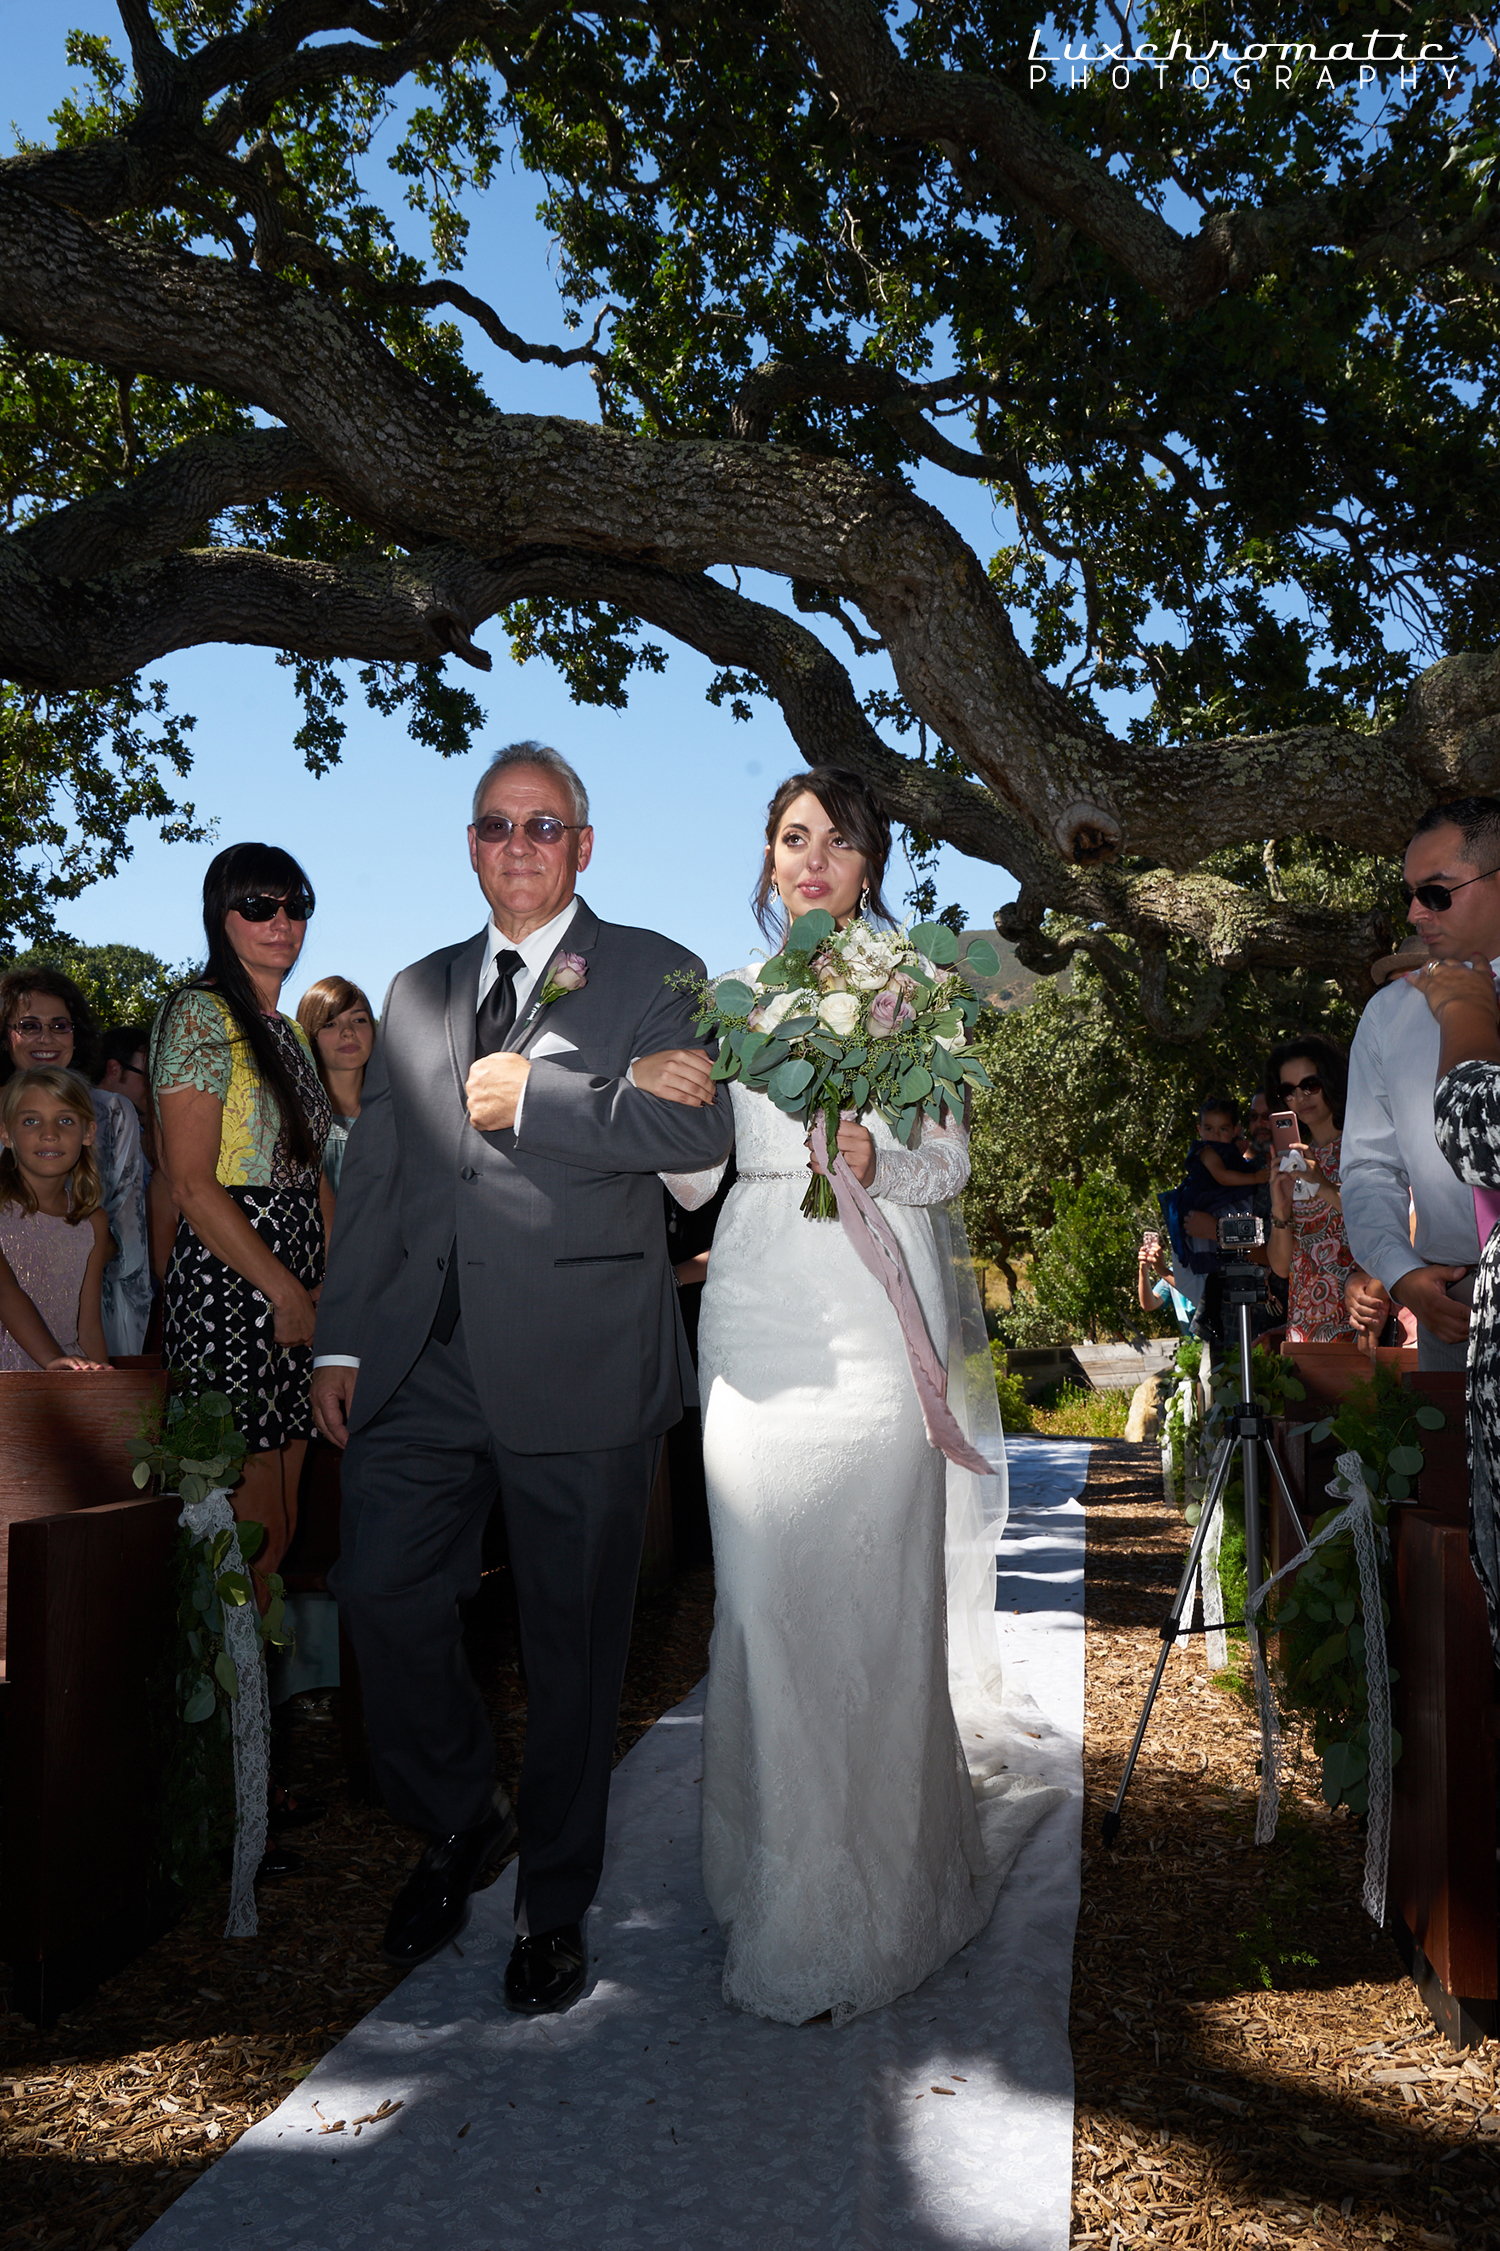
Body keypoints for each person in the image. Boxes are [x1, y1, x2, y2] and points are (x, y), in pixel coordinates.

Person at [309, 742, 733, 2017]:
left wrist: (541, 1097)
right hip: (423, 1359)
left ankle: (554, 1901)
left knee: (572, 1654)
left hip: (582, 1361)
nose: (519, 845)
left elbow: (698, 1132)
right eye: (496, 826)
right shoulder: (416, 988)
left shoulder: (659, 972)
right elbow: (378, 1178)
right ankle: (456, 1818)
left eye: (544, 825)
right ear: (472, 844)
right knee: (381, 1598)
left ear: (583, 845)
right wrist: (340, 1339)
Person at [634, 765, 1015, 2027]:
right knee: (758, 1604)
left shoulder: (920, 993)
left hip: (872, 1308)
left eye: (837, 842)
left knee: (870, 1602)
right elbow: (693, 1182)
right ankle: (774, 1886)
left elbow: (949, 1160)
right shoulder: (726, 1001)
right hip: (755, 1307)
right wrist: (657, 1092)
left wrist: (876, 1153)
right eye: (793, 837)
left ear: (868, 866)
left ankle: (885, 1896)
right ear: (767, 857)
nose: (811, 858)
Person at [150, 845, 332, 1605]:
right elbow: (191, 1183)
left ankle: (254, 1715)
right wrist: (284, 1289)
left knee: (282, 1525)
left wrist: (330, 1286)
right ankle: (225, 1722)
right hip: (234, 1276)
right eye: (258, 906)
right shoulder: (198, 1013)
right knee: (243, 1527)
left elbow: (315, 1176)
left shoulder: (288, 1033)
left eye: (294, 906)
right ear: (221, 916)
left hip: (298, 1267)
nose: (280, 922)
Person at [1343, 799, 1500, 1368]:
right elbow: (1368, 1166)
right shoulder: (1389, 1014)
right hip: (1450, 1310)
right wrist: (1403, 1275)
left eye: (1436, 891)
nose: (1413, 914)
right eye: (1410, 893)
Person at [1406, 954, 1500, 1661]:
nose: (1417, 910)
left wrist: (1466, 1014)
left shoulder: (1466, 1004)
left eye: (1438, 891)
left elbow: (1478, 1130)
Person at [0, 969, 150, 1356]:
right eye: (29, 1025)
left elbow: (127, 1229)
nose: (46, 1037)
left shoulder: (114, 1113)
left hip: (90, 1305)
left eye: (59, 1025)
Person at [0, 1069, 114, 1370]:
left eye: (65, 1121)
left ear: (88, 1132)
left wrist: (100, 1395)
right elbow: (5, 1291)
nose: (49, 1133)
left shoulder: (92, 1223)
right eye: (30, 1121)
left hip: (65, 1378)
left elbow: (88, 1326)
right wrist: (52, 1359)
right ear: (6, 1134)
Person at [1264, 1035, 1359, 1344]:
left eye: (1310, 1084)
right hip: (1305, 1328)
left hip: (1361, 1320)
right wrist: (1281, 1211)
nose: (1300, 1097)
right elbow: (1281, 1266)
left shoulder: (1364, 1144)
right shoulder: (1293, 1162)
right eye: (1287, 1090)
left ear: (1330, 1080)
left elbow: (1381, 1218)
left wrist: (1322, 1184)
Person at [295, 977, 376, 1196]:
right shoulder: (296, 1123)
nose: (348, 1032)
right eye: (330, 1024)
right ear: (310, 1035)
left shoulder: (399, 1116)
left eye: (359, 1020)